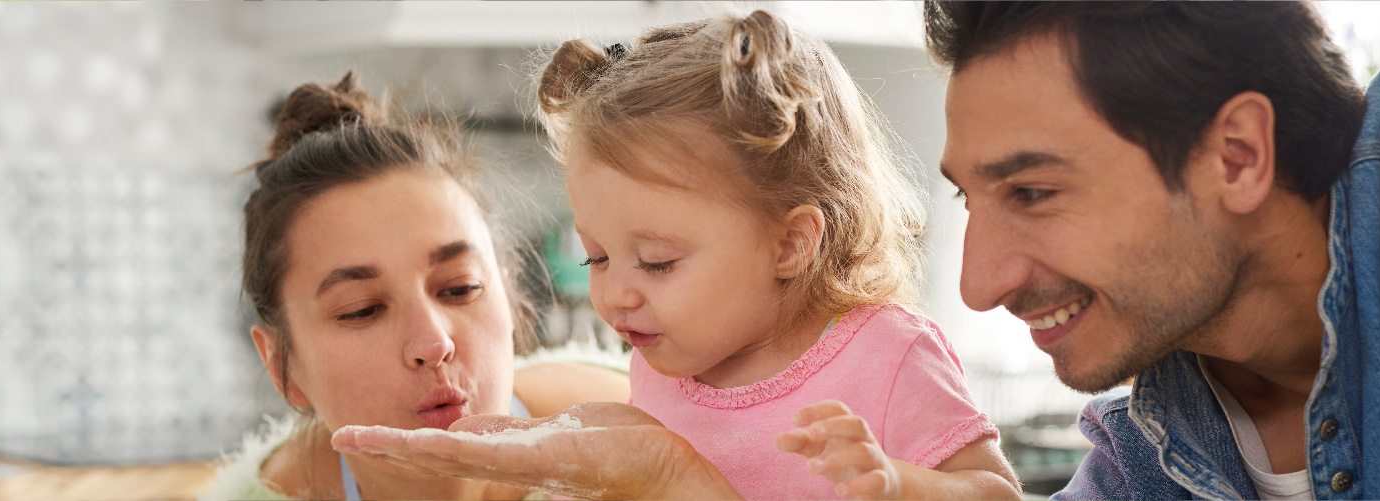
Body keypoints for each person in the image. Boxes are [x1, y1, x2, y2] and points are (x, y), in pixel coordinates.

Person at [337, 10, 1021, 501]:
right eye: (598, 257)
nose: (617, 296)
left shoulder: (890, 354)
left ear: (790, 242)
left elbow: (994, 490)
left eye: (657, 261)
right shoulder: (661, 363)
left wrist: (902, 483)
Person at [925, 2, 1380, 499]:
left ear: (1237, 156)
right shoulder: (1137, 463)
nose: (979, 287)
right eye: (967, 198)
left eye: (1033, 193)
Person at [200, 72, 629, 501]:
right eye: (360, 310)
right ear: (282, 368)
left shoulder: (639, 435)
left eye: (460, 287)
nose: (433, 343)